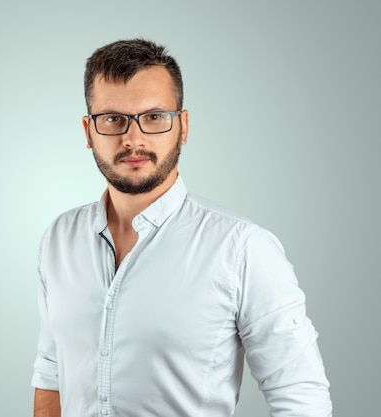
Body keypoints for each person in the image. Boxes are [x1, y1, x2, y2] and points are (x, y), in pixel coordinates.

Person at [31, 38, 332, 417]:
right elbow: (52, 370)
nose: (133, 138)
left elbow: (301, 398)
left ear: (183, 126)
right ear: (88, 131)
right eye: (112, 119)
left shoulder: (242, 249)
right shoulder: (59, 239)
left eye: (154, 117)